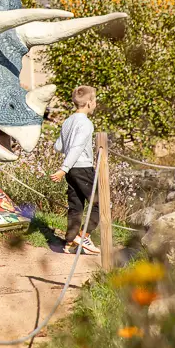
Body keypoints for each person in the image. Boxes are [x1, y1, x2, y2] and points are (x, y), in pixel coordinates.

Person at [51, 85, 101, 254]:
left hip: (72, 170)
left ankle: (69, 242)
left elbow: (58, 146)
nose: (95, 104)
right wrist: (63, 169)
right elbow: (77, 147)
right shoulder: (86, 124)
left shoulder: (68, 121)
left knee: (76, 205)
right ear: (88, 103)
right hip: (82, 167)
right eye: (94, 100)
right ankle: (83, 235)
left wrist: (66, 167)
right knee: (101, 204)